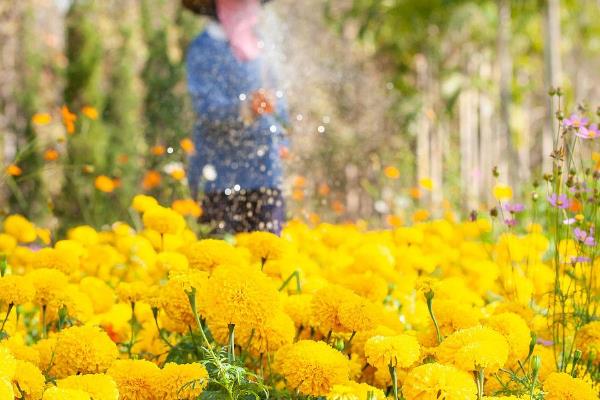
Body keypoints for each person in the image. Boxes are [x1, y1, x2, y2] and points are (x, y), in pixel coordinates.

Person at [183, 0, 289, 235]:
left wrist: (283, 139)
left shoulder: (262, 45)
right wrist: (244, 108)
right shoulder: (205, 48)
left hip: (265, 173)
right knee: (220, 259)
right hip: (218, 177)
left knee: (266, 259)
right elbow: (206, 108)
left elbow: (278, 99)